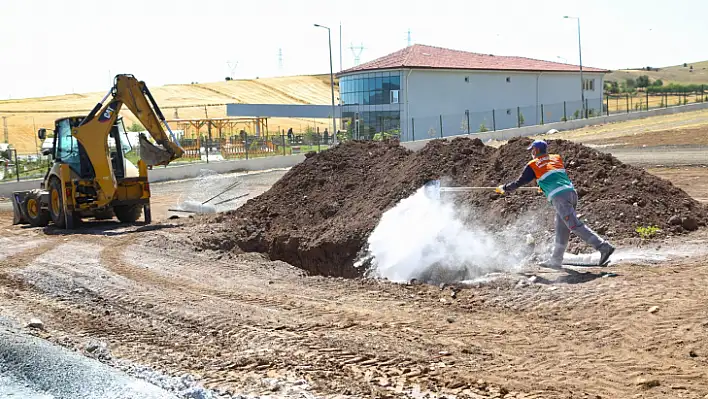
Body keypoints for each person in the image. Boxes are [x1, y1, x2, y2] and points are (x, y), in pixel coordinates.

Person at [496, 140, 615, 268]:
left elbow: (519, 182)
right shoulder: (556, 158)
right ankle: (556, 260)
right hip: (571, 193)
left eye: (532, 150)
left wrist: (505, 188)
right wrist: (544, 185)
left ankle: (603, 247)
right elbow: (553, 174)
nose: (531, 153)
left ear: (535, 151)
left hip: (560, 198)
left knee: (574, 225)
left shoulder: (533, 164)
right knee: (561, 228)